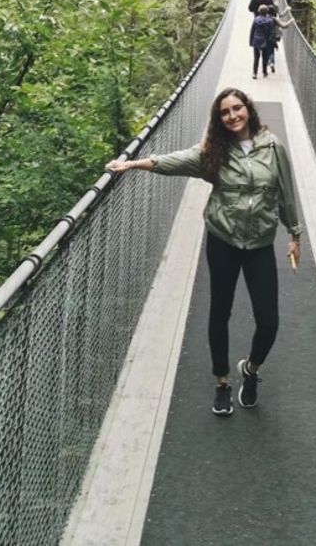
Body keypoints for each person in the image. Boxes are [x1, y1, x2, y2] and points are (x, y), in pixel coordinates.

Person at [105, 89, 302, 416]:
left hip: (260, 243)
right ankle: (222, 382)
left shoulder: (273, 146)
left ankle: (250, 370)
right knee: (219, 313)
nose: (233, 116)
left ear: (248, 110)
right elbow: (173, 161)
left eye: (237, 108)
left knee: (269, 322)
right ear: (219, 119)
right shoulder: (214, 152)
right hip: (223, 240)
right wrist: (133, 164)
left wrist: (294, 233)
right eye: (225, 112)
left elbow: (286, 192)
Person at [250, 5, 276, 78]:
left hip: (256, 40)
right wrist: (271, 41)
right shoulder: (270, 21)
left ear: (259, 11)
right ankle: (264, 72)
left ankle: (254, 73)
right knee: (265, 57)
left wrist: (251, 41)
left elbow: (252, 31)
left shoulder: (256, 19)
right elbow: (271, 32)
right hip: (265, 41)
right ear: (267, 11)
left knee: (256, 57)